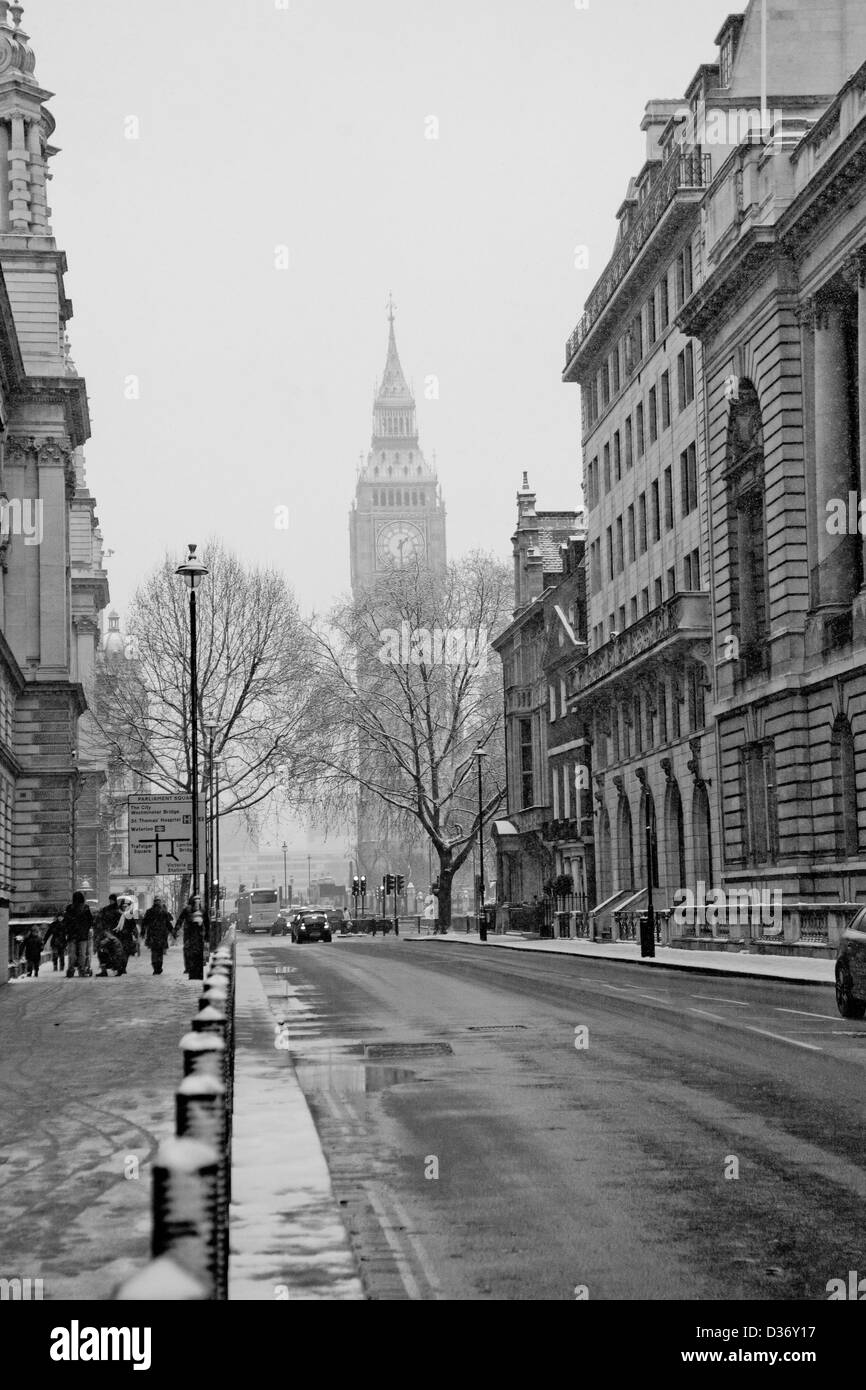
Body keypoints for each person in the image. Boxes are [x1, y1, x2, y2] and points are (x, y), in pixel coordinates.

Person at [175, 893, 208, 981]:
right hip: (197, 934)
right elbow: (206, 923)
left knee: (188, 950)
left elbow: (180, 920)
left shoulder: (188, 909)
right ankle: (194, 967)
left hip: (189, 934)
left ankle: (189, 967)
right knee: (196, 950)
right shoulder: (201, 910)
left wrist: (176, 929)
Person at [63, 892, 93, 977]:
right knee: (82, 953)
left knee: (72, 953)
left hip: (72, 934)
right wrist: (86, 928)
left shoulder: (69, 908)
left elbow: (66, 921)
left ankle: (71, 968)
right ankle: (82, 968)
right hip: (82, 934)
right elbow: (90, 920)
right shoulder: (86, 908)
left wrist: (68, 929)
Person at [142, 897, 174, 975]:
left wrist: (143, 932)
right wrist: (173, 932)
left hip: (153, 935)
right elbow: (168, 923)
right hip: (161, 935)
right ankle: (158, 967)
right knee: (159, 952)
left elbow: (144, 923)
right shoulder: (163, 912)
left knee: (154, 952)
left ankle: (156, 967)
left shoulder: (150, 911)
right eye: (158, 901)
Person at [117, 897, 140, 963]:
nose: (125, 908)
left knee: (126, 952)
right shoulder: (118, 914)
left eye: (126, 906)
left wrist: (135, 934)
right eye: (123, 906)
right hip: (119, 936)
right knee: (119, 951)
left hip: (127, 936)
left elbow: (133, 925)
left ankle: (123, 966)